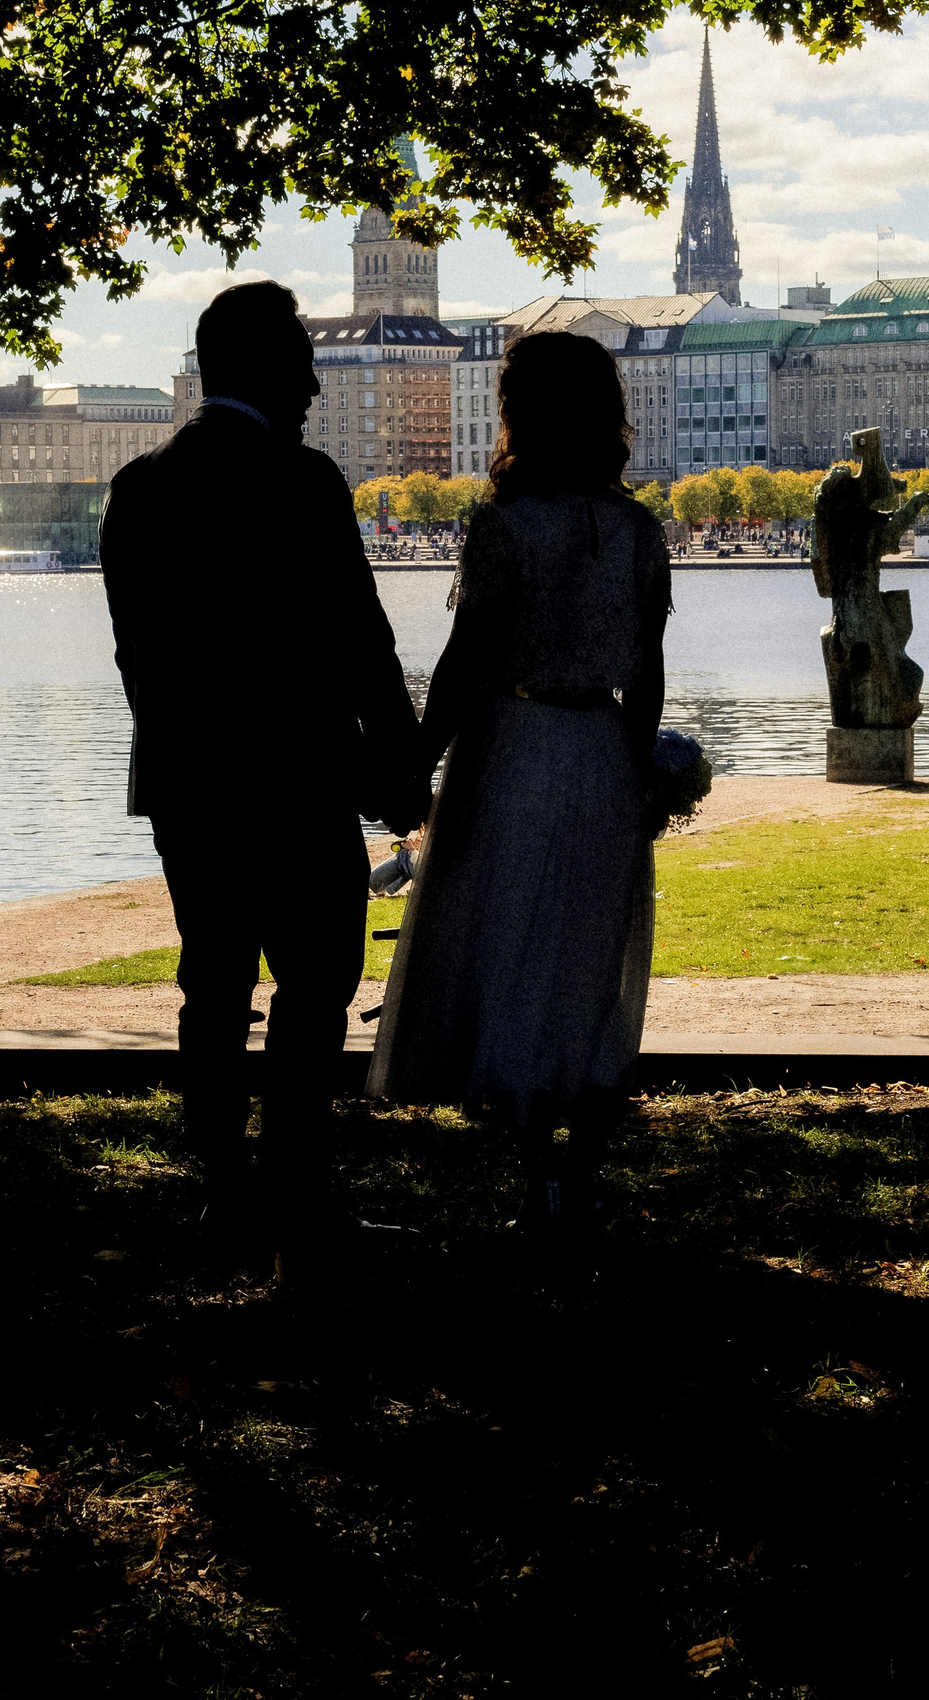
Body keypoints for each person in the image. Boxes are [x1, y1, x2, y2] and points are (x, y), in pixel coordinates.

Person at [100, 281, 431, 1268]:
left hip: (189, 785)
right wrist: (400, 766)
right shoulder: (303, 480)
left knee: (213, 983)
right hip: (297, 781)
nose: (315, 385)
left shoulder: (139, 488)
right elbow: (362, 642)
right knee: (316, 985)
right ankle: (297, 1192)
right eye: (302, 362)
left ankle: (223, 1192)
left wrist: (179, 751)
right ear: (261, 367)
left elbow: (135, 658)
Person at [367, 330, 672, 1249]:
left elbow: (466, 659)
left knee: (509, 953)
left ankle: (540, 1172)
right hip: (601, 747)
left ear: (520, 415)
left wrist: (416, 760)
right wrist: (639, 768)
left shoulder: (504, 523)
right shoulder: (639, 529)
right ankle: (579, 1173)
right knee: (588, 959)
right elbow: (649, 673)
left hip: (512, 745)